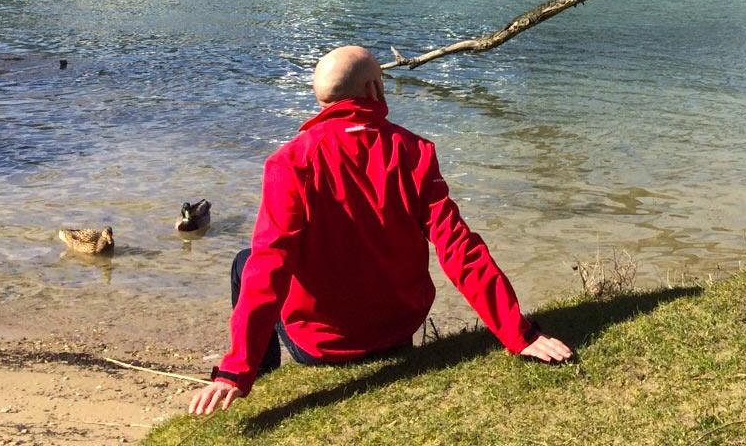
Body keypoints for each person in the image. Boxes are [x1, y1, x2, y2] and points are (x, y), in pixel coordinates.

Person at [190, 45, 572, 416]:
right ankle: (266, 372)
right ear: (373, 90)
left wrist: (234, 370)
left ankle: (260, 375)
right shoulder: (414, 151)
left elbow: (268, 269)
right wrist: (518, 333)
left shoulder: (290, 162)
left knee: (248, 262)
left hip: (323, 346)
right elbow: (459, 247)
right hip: (396, 332)